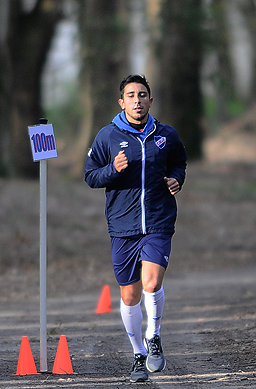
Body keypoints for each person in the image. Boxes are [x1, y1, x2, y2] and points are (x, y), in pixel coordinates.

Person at [84, 74, 187, 382]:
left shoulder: (165, 135)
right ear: (122, 102)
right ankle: (138, 355)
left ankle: (153, 337)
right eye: (131, 95)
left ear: (150, 101)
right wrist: (111, 170)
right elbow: (90, 176)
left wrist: (177, 178)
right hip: (122, 225)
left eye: (142, 95)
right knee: (129, 296)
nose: (137, 100)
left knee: (151, 283)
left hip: (158, 220)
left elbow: (179, 162)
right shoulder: (108, 136)